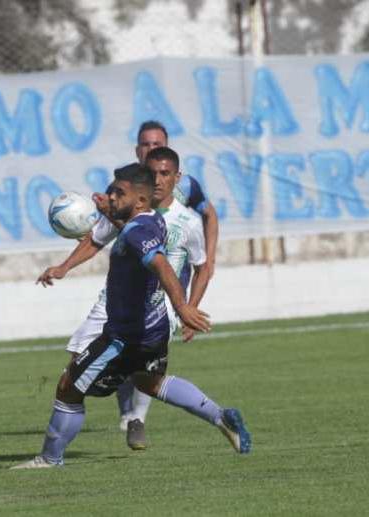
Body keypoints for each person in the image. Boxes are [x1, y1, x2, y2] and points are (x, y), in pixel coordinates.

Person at [11, 163, 250, 469]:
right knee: (149, 382)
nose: (110, 195)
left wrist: (184, 307)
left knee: (68, 386)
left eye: (118, 192)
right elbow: (121, 234)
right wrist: (105, 218)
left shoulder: (139, 231)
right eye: (112, 189)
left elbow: (161, 265)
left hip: (125, 336)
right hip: (153, 328)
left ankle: (50, 458)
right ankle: (221, 416)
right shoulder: (148, 220)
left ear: (139, 200)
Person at [38, 146, 211, 450]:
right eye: (151, 168)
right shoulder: (131, 209)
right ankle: (216, 415)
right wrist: (65, 266)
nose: (158, 178)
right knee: (132, 376)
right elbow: (101, 237)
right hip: (115, 302)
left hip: (154, 308)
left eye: (164, 172)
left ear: (176, 176)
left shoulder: (184, 217)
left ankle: (131, 421)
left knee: (77, 382)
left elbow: (183, 262)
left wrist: (186, 307)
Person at [91, 121, 219, 444]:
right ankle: (128, 413)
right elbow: (104, 231)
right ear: (138, 152)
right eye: (145, 145)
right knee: (121, 355)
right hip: (125, 288)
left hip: (165, 291)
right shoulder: (127, 189)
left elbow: (208, 218)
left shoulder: (186, 188)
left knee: (143, 356)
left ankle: (137, 418)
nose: (151, 150)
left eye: (157, 144)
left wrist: (195, 290)